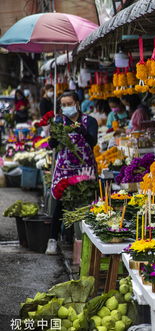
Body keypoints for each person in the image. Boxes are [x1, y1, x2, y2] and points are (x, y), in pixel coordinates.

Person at [46, 91, 98, 255]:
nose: (67, 107)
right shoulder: (59, 121)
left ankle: (84, 241)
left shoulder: (89, 121)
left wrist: (84, 132)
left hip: (84, 170)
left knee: (85, 204)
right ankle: (53, 240)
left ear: (77, 103)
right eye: (64, 105)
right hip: (64, 170)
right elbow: (52, 145)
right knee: (61, 204)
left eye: (70, 104)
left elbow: (93, 142)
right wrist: (52, 140)